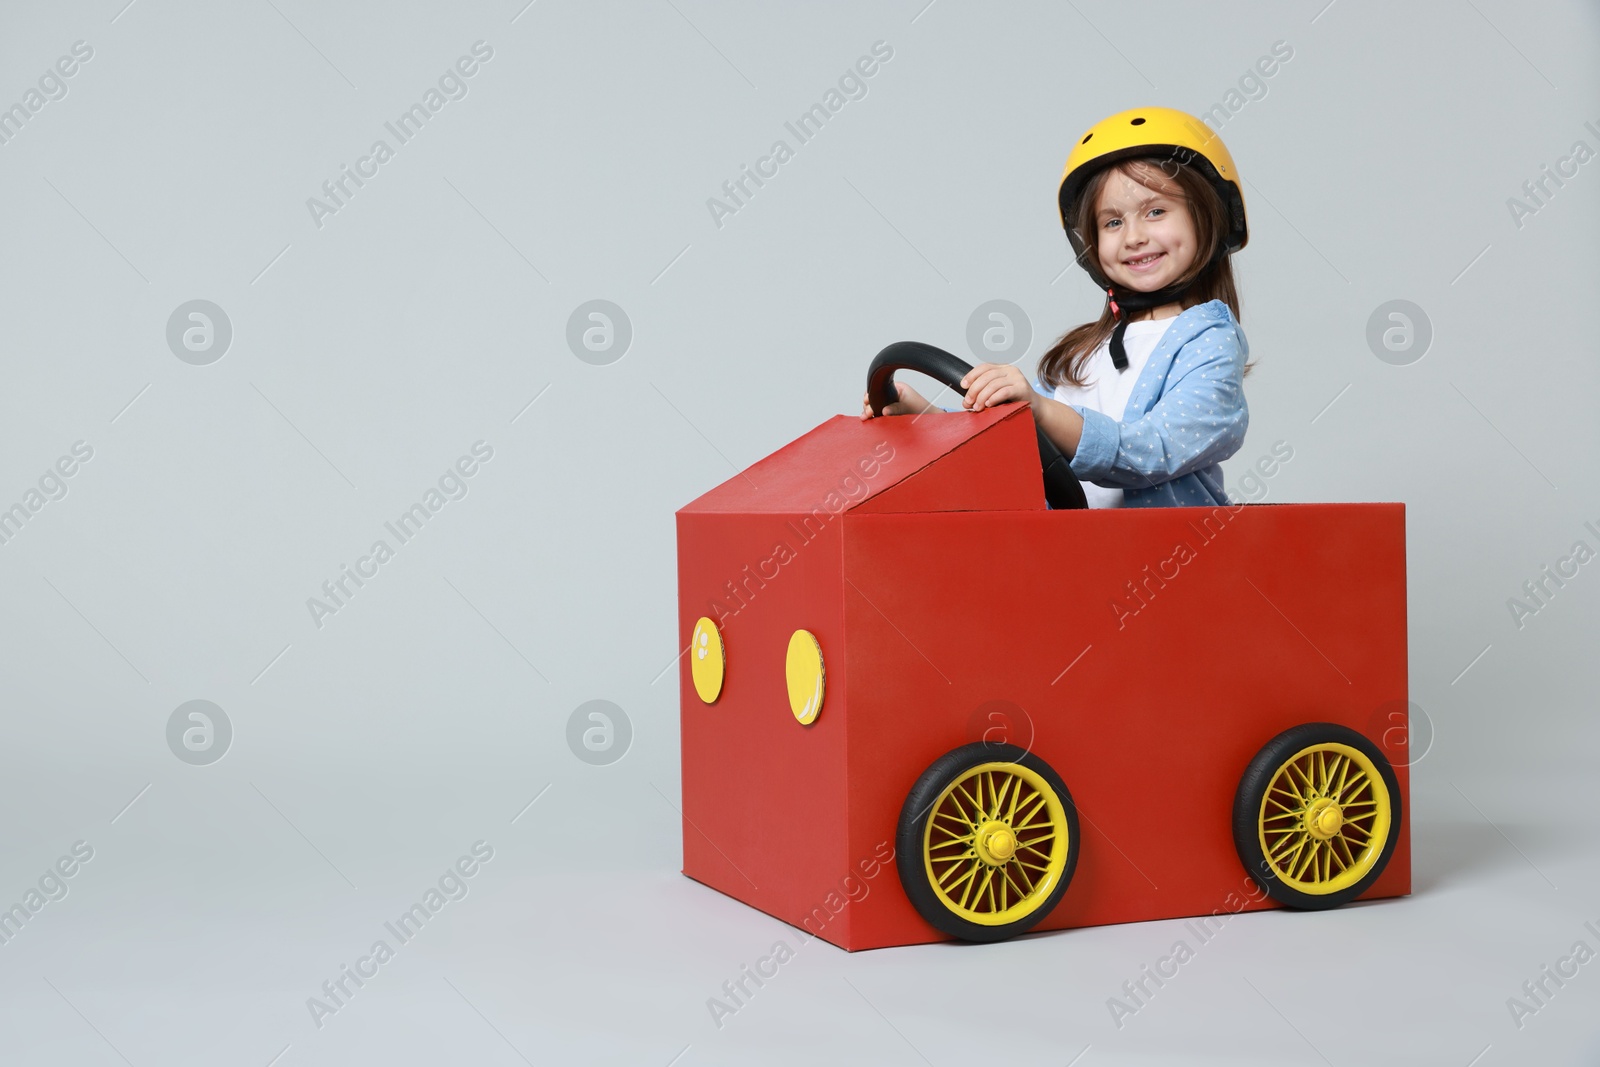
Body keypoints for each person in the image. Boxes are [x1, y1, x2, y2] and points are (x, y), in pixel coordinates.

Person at [862, 106, 1254, 508]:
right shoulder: (1085, 353)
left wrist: (1042, 412)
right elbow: (1018, 445)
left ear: (1208, 217)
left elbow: (1155, 451)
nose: (1134, 237)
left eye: (1155, 212)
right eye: (1113, 222)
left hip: (1167, 563)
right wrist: (925, 418)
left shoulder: (1209, 344)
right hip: (1073, 559)